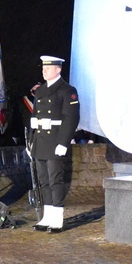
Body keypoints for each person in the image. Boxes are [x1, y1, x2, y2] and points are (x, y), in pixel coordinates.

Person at [30, 56, 80, 232]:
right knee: (43, 180)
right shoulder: (41, 90)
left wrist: (63, 142)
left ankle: (57, 218)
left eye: (48, 68)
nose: (44, 71)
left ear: (58, 69)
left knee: (55, 180)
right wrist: (31, 140)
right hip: (41, 140)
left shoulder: (67, 90)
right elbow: (35, 115)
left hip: (56, 140)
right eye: (43, 68)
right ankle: (48, 216)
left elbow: (71, 118)